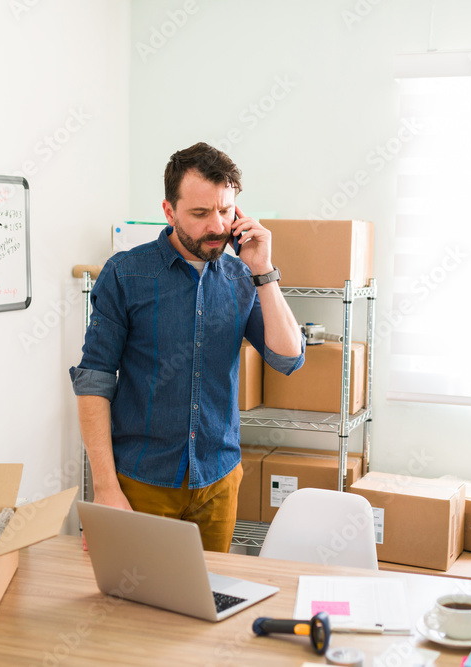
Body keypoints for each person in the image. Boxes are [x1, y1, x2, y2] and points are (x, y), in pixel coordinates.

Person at [69, 142, 305, 552]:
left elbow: (288, 358)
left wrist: (263, 270)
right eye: (199, 214)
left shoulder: (239, 276)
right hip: (142, 481)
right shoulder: (126, 274)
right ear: (169, 211)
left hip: (218, 481)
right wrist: (105, 488)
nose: (216, 225)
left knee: (209, 602)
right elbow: (94, 381)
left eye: (226, 210)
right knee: (136, 605)